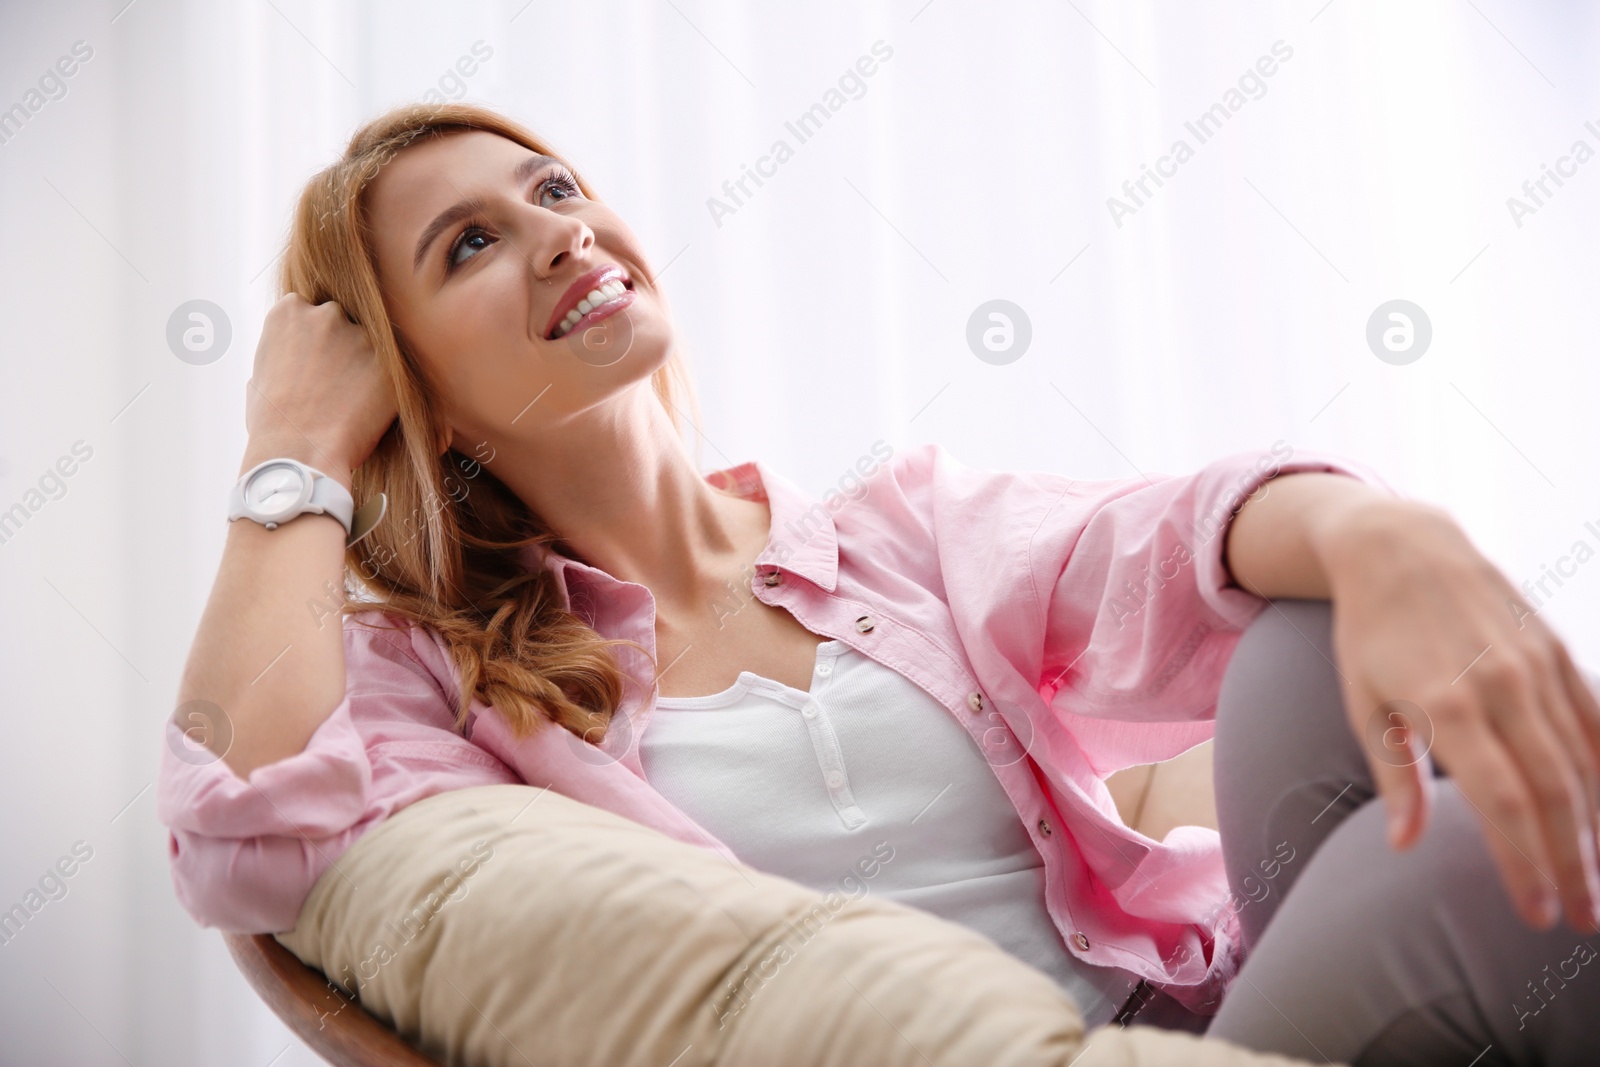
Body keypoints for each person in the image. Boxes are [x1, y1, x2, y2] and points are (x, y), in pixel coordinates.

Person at [158, 101, 1600, 1064]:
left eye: (553, 187)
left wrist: (1378, 537)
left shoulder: (892, 531)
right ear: (421, 397)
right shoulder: (452, 681)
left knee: (1312, 619)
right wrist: (295, 449)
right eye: (471, 243)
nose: (558, 231)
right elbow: (243, 831)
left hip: (1205, 1013)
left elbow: (1169, 538)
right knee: (1481, 866)